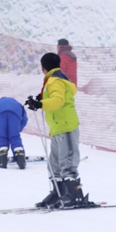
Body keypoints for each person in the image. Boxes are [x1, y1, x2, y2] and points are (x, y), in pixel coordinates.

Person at [25, 53, 88, 207]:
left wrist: (41, 104)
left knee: (66, 161)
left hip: (65, 126)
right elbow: (53, 98)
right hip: (57, 127)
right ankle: (59, 192)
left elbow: (58, 101)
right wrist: (39, 100)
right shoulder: (56, 79)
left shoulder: (55, 81)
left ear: (43, 67)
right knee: (54, 164)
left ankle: (74, 194)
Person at [0, 96, 28, 170]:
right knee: (15, 137)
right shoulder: (17, 103)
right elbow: (25, 119)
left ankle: (2, 155)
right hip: (15, 113)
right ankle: (19, 153)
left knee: (2, 137)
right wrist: (18, 129)